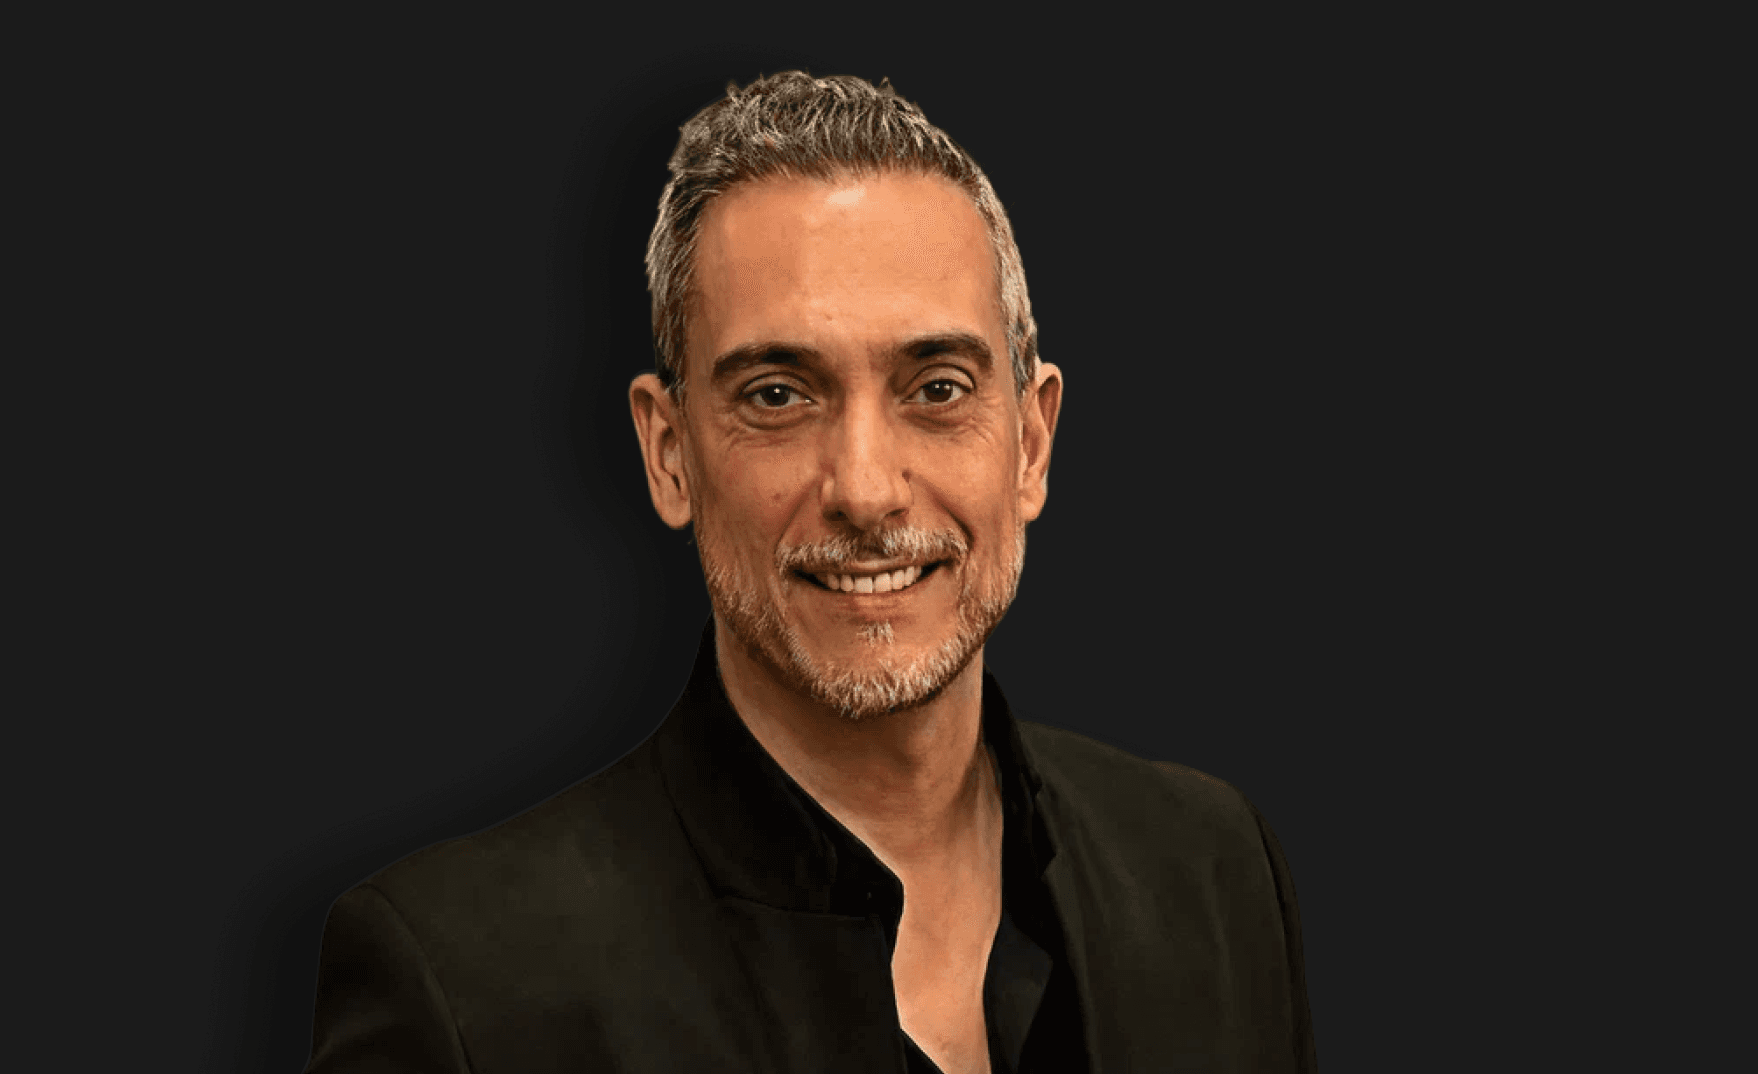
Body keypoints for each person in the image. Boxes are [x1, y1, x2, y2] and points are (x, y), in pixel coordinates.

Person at [305, 71, 1315, 1074]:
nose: (866, 491)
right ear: (669, 454)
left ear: (1032, 445)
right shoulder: (464, 991)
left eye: (938, 388)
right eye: (779, 395)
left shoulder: (1215, 872)